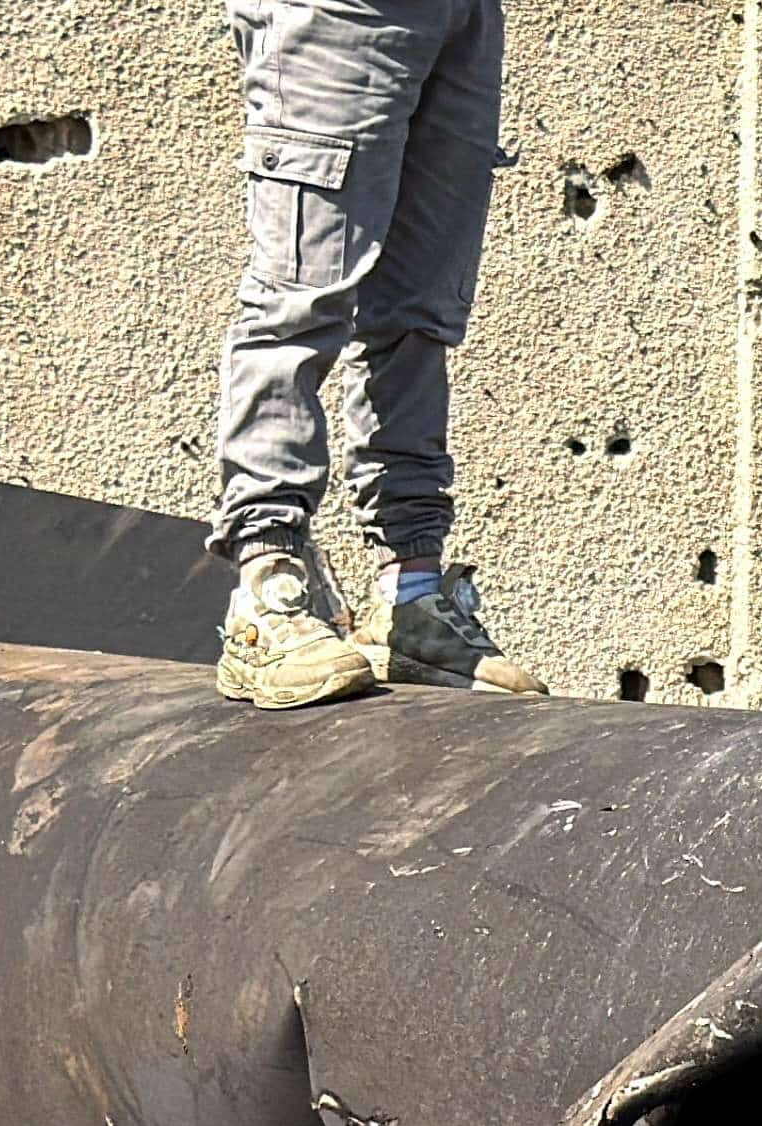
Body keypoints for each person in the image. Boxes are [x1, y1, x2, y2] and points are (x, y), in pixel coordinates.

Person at [210, 0, 546, 708]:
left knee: (421, 314)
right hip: (340, 15)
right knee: (300, 301)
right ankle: (264, 595)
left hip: (461, 16)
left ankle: (412, 599)